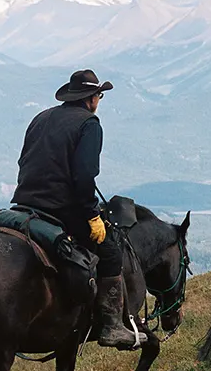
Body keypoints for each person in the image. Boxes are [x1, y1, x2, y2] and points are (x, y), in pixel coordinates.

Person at [11, 69, 145, 350]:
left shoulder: (41, 118)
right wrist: (91, 214)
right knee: (110, 251)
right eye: (99, 94)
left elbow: (24, 160)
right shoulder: (89, 123)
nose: (99, 99)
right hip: (62, 208)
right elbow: (84, 177)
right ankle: (111, 326)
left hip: (25, 204)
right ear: (92, 98)